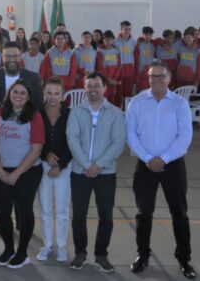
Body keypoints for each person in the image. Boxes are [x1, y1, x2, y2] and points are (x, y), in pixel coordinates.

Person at [126, 60, 196, 279]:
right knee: (144, 213)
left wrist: (163, 159)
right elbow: (131, 135)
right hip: (144, 165)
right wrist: (149, 159)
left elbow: (185, 136)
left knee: (179, 213)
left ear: (169, 78)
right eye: (152, 76)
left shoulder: (179, 104)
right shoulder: (137, 102)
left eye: (160, 76)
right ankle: (142, 255)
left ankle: (184, 259)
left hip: (173, 165)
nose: (156, 80)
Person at [66, 72, 126, 273]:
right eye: (89, 85)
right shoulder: (76, 111)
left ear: (104, 88)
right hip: (80, 172)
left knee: (106, 216)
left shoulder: (115, 113)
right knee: (79, 215)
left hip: (105, 174)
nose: (93, 89)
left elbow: (118, 143)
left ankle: (101, 255)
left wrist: (98, 165)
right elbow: (72, 139)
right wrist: (86, 165)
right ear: (85, 88)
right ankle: (80, 253)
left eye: (97, 85)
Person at [0, 80, 45, 269]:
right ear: (9, 94)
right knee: (3, 212)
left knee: (24, 210)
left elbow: (36, 150)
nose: (18, 96)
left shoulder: (34, 116)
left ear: (28, 97)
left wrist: (16, 173)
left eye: (23, 93)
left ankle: (22, 253)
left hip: (28, 171)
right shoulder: (0, 113)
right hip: (3, 169)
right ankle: (8, 249)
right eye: (15, 92)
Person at [36, 77, 72, 263]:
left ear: (62, 95)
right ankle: (48, 245)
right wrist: (45, 155)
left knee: (62, 209)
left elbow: (74, 142)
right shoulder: (37, 113)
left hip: (64, 165)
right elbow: (34, 139)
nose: (52, 97)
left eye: (56, 93)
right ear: (44, 93)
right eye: (49, 93)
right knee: (45, 207)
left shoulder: (70, 114)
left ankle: (62, 247)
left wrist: (60, 164)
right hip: (42, 164)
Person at [0, 42, 45, 110]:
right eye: (8, 56)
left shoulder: (34, 78)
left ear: (20, 57)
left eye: (15, 56)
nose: (12, 59)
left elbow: (39, 106)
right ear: (2, 57)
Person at [114, 21, 138, 106]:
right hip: (119, 73)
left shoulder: (133, 42)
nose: (127, 31)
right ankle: (117, 112)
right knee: (118, 95)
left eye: (129, 29)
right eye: (125, 29)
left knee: (128, 95)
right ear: (121, 29)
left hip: (130, 72)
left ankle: (127, 111)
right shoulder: (115, 42)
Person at [95, 31, 121, 105]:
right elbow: (100, 67)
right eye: (106, 40)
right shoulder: (99, 51)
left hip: (113, 81)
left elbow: (119, 66)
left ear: (113, 40)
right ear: (103, 40)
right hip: (103, 80)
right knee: (103, 99)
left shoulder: (116, 51)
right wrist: (108, 79)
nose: (108, 42)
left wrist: (114, 79)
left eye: (110, 40)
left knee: (112, 100)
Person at [135, 27, 157, 92]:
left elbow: (160, 40)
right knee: (142, 92)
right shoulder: (139, 44)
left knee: (150, 92)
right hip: (141, 73)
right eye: (146, 34)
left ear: (152, 35)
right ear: (143, 35)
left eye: (150, 35)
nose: (148, 36)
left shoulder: (153, 45)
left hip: (150, 72)